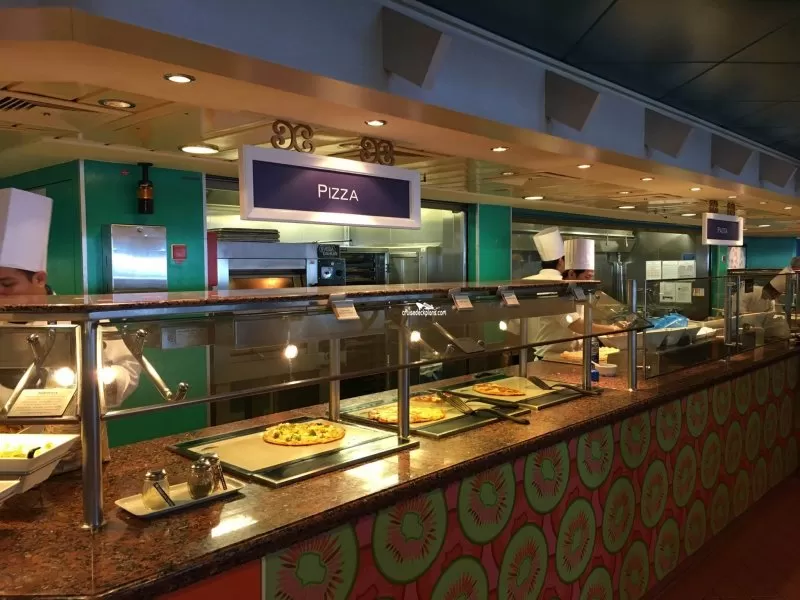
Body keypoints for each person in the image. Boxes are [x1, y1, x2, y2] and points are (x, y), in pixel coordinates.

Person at [0, 187, 141, 471]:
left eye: (6, 284)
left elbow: (128, 369)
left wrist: (97, 387)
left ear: (39, 278)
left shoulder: (82, 318)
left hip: (77, 457)